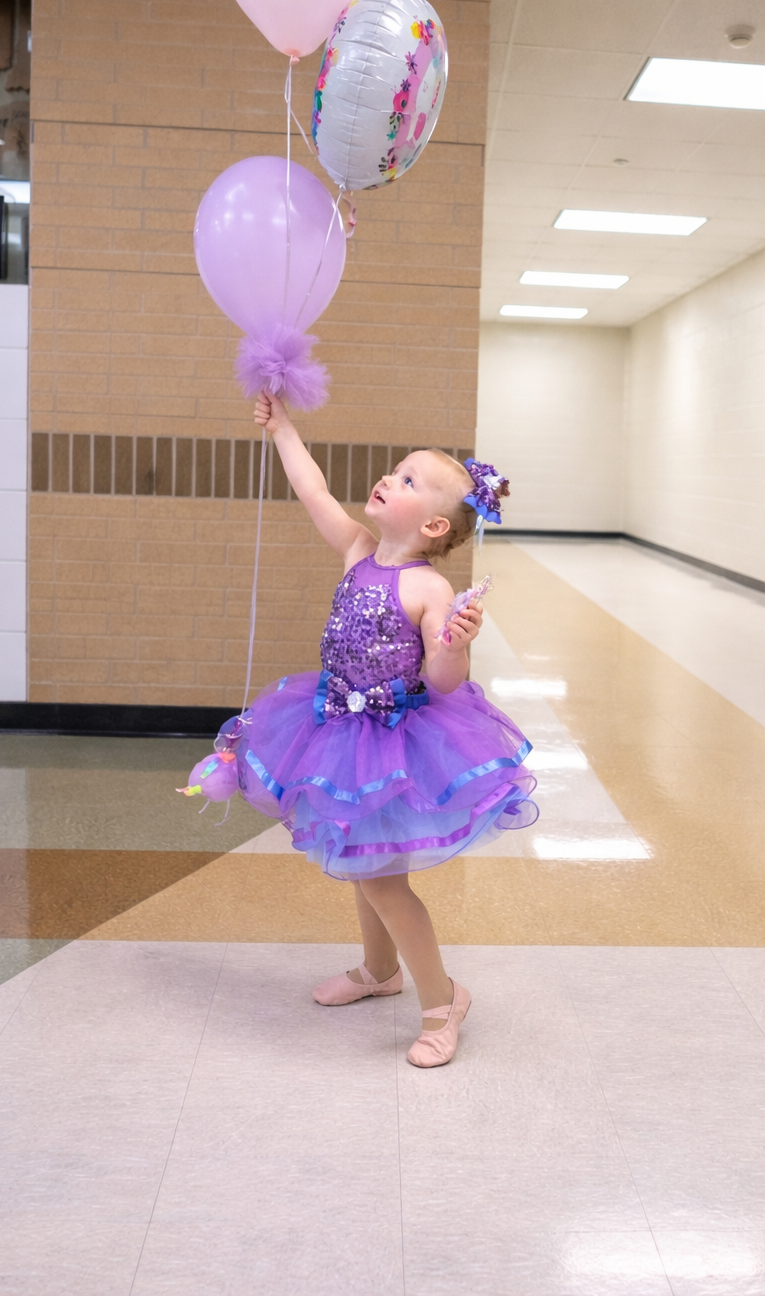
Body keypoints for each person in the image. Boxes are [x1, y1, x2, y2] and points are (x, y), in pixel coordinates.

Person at [217, 391, 537, 1068]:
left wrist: (453, 642)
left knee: (386, 882)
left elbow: (445, 681)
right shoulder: (359, 549)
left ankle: (442, 1003)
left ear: (432, 530)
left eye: (411, 481)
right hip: (335, 729)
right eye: (397, 470)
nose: (391, 478)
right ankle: (378, 970)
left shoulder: (429, 591)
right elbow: (313, 492)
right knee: (365, 864)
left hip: (395, 743)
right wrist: (283, 429)